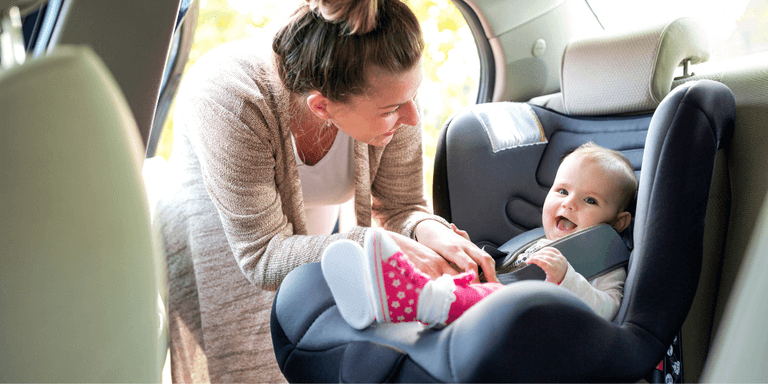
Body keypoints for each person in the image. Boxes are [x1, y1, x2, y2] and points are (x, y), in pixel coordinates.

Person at [322, 143, 638, 329]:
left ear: (619, 221)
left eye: (590, 200)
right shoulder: (539, 241)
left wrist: (568, 278)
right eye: (563, 190)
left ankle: (416, 299)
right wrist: (469, 250)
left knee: (476, 293)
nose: (569, 203)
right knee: (452, 268)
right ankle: (375, 295)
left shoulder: (603, 257)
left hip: (529, 323)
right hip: (503, 299)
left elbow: (609, 310)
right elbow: (508, 274)